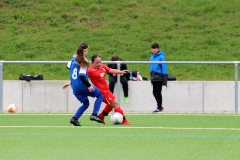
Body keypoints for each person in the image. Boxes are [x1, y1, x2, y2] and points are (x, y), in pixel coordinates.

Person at [63, 42, 104, 126]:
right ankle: (94, 114)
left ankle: (75, 119)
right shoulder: (84, 60)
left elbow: (68, 67)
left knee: (86, 103)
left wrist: (71, 81)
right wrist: (89, 86)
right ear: (86, 50)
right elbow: (81, 75)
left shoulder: (73, 59)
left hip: (74, 87)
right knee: (100, 95)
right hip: (82, 86)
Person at [88, 54, 133, 125]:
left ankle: (101, 116)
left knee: (110, 105)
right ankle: (124, 121)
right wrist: (71, 82)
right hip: (102, 92)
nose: (99, 64)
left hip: (106, 90)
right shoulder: (90, 70)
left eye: (100, 62)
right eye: (97, 63)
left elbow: (111, 70)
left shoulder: (103, 66)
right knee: (116, 104)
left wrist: (121, 72)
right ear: (92, 63)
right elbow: (82, 77)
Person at [149, 43, 168, 113]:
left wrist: (164, 78)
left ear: (158, 49)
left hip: (159, 76)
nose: (154, 50)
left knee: (158, 92)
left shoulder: (161, 57)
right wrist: (151, 79)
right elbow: (151, 69)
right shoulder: (151, 58)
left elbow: (164, 68)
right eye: (153, 48)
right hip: (153, 77)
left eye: (155, 48)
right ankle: (160, 106)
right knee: (154, 92)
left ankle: (159, 107)